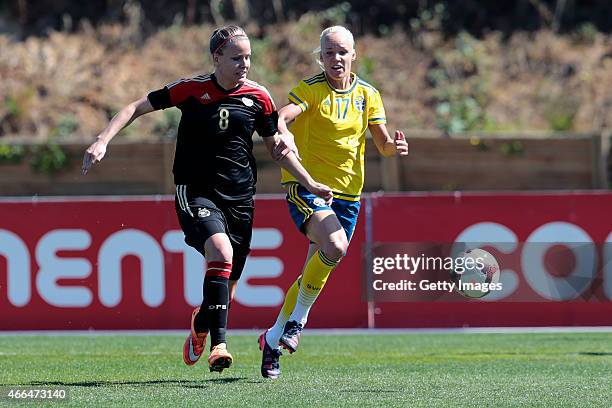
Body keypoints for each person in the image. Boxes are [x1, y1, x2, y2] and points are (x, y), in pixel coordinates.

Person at [81, 25, 332, 374]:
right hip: (196, 191)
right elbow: (136, 106)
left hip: (241, 198)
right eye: (236, 58)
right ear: (216, 58)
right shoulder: (192, 90)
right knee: (221, 251)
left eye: (248, 57)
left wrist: (309, 181)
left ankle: (201, 323)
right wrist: (102, 140)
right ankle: (219, 346)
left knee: (226, 287)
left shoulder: (259, 97)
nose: (244, 64)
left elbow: (277, 147)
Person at [259, 25, 408, 379]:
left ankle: (273, 338)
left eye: (342, 52)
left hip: (348, 197)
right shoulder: (311, 90)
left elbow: (383, 144)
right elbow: (283, 115)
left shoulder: (368, 95)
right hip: (308, 188)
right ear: (320, 57)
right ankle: (298, 321)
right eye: (328, 53)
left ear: (354, 54)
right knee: (336, 246)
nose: (335, 59)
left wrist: (394, 149)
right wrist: (282, 134)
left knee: (317, 266)